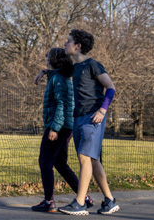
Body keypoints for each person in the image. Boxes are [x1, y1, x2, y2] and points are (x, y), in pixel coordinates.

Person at [58, 29, 120, 216]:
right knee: (92, 159)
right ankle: (109, 201)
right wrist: (43, 71)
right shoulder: (75, 68)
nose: (65, 44)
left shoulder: (93, 65)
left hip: (93, 117)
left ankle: (80, 203)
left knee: (84, 158)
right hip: (79, 116)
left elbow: (110, 87)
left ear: (78, 46)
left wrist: (102, 110)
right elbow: (57, 71)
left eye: (68, 41)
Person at [32, 48, 92, 213]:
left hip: (58, 126)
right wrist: (43, 71)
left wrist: (54, 128)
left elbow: (62, 104)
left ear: (53, 60)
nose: (46, 59)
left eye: (48, 57)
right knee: (60, 163)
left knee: (45, 162)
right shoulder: (60, 76)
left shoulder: (59, 79)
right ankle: (85, 197)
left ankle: (49, 201)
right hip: (65, 126)